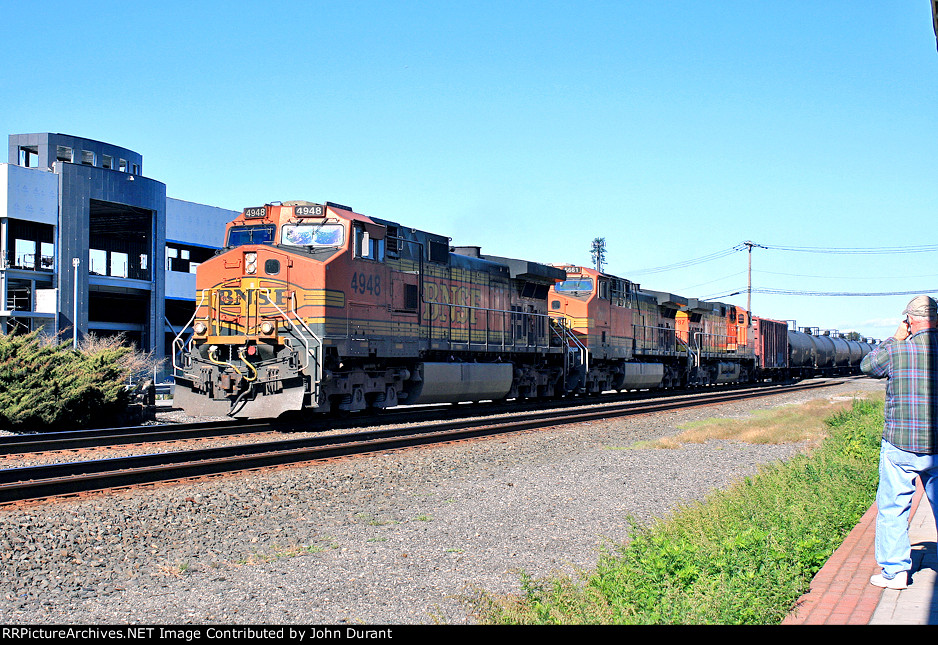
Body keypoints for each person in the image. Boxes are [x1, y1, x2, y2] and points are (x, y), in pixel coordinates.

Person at [860, 295, 938, 590]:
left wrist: (895, 337)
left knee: (893, 508)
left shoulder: (896, 350)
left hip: (900, 444)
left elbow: (868, 365)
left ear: (909, 320)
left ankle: (896, 572)